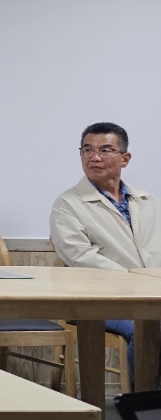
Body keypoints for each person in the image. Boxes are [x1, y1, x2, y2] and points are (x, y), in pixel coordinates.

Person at [50, 122, 161, 380]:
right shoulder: (67, 204)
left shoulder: (149, 202)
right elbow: (79, 257)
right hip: (99, 300)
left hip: (153, 295)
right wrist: (136, 282)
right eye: (87, 150)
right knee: (147, 327)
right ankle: (143, 401)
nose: (95, 157)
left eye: (105, 150)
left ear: (125, 159)